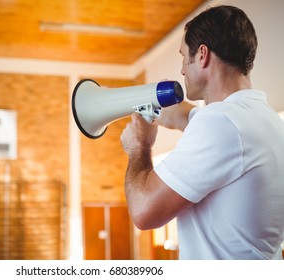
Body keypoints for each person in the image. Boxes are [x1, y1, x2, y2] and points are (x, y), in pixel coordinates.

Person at [120, 5, 284, 259]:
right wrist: (166, 106)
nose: (183, 70)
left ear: (203, 55)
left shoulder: (220, 123)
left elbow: (143, 211)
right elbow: (196, 120)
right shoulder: (266, 120)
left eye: (184, 56)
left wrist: (138, 146)